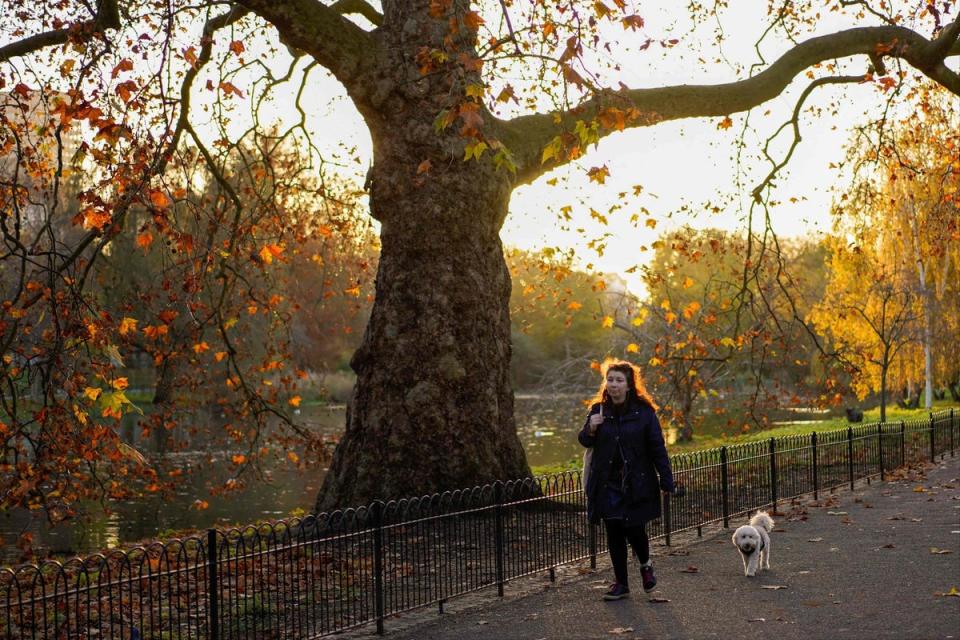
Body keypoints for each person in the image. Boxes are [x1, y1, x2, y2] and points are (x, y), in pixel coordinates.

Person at [578, 359, 675, 601]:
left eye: (619, 380)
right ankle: (621, 583)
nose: (613, 385)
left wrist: (666, 478)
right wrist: (591, 428)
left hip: (636, 482)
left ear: (629, 384)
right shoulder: (598, 411)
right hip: (607, 483)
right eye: (610, 380)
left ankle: (645, 565)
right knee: (614, 531)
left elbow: (657, 448)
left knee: (634, 528)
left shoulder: (644, 413)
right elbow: (585, 441)